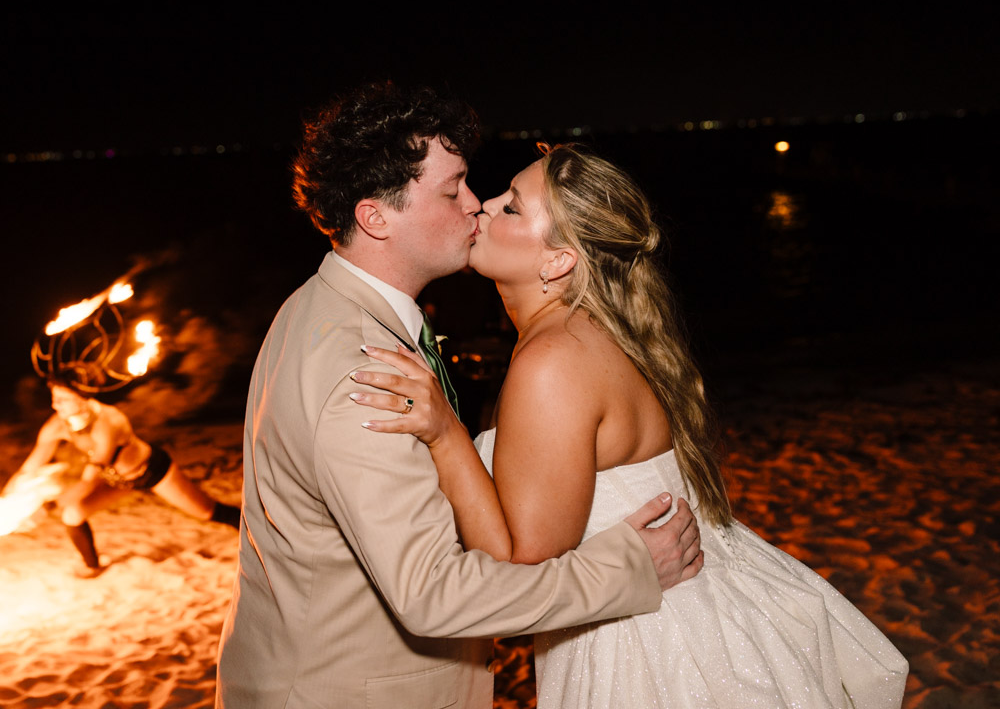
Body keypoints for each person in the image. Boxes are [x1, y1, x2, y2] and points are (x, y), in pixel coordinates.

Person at [353, 143, 910, 707]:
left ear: (558, 261)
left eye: (513, 207)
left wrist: (446, 433)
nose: (484, 205)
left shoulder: (552, 361)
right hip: (700, 614)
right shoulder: (598, 334)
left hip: (651, 646)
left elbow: (519, 567)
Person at [216, 83, 704, 708]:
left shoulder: (326, 307)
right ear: (376, 216)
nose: (476, 204)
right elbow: (433, 593)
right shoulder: (361, 373)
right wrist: (629, 569)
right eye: (453, 190)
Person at [6, 377, 239, 577]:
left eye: (63, 399)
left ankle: (258, 529)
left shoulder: (107, 421)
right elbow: (30, 467)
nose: (55, 404)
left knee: (206, 512)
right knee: (73, 513)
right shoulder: (57, 425)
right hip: (116, 480)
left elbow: (89, 481)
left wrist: (46, 507)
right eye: (54, 397)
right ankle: (93, 567)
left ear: (84, 397)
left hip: (149, 471)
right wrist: (6, 501)